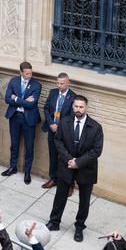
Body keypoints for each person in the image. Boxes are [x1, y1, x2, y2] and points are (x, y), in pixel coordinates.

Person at [47, 94, 104, 242]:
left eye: (81, 107)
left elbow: (96, 150)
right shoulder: (64, 121)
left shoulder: (96, 127)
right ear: (72, 107)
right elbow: (58, 141)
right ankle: (54, 222)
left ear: (86, 107)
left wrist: (78, 162)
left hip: (86, 168)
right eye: (76, 106)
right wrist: (69, 160)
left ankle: (79, 227)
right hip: (66, 165)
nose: (78, 109)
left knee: (84, 200)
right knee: (60, 195)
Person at [2, 61, 42, 184]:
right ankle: (13, 167)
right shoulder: (14, 81)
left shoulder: (37, 85)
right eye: (26, 74)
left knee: (29, 147)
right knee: (14, 144)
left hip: (28, 119)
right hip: (15, 117)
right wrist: (22, 100)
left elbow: (31, 104)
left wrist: (17, 98)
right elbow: (7, 99)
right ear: (21, 72)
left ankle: (27, 172)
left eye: (30, 73)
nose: (29, 76)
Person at [41, 72, 76, 189]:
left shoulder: (73, 97)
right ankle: (53, 179)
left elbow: (71, 117)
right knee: (53, 155)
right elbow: (46, 108)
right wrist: (51, 123)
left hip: (64, 133)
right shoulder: (53, 92)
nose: (59, 86)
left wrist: (59, 126)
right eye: (58, 83)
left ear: (68, 83)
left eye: (62, 84)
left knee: (66, 158)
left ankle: (70, 184)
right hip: (52, 130)